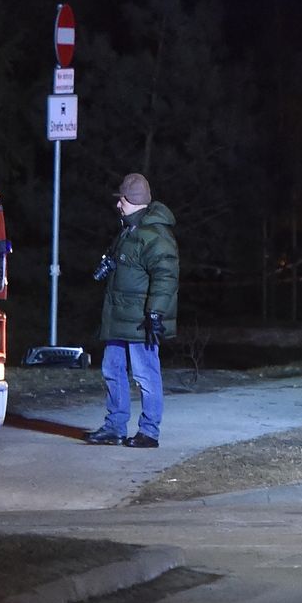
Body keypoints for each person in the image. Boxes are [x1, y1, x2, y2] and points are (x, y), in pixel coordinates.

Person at [85, 172, 179, 448]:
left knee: (146, 374)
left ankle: (149, 431)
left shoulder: (155, 235)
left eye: (122, 200)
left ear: (132, 200)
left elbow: (166, 277)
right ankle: (115, 426)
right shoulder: (130, 229)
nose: (118, 205)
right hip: (119, 316)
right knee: (112, 369)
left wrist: (155, 313)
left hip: (141, 321)